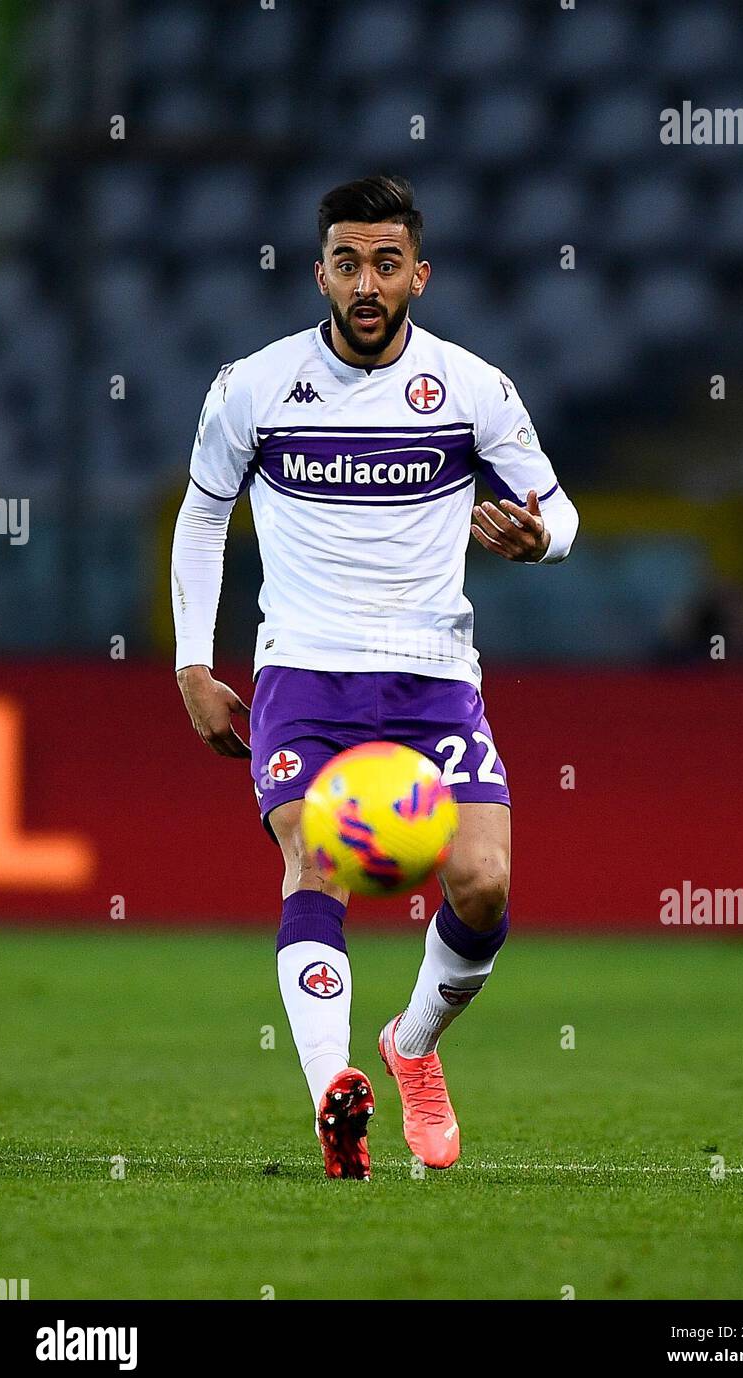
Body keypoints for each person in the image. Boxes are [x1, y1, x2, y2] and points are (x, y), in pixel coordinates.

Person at [171, 175, 578, 1179]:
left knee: (482, 884)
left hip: (433, 678)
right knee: (316, 861)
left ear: (418, 275)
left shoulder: (472, 389)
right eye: (346, 262)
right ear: (319, 271)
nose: (365, 281)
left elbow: (557, 511)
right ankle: (331, 1096)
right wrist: (190, 660)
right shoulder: (253, 387)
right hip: (301, 676)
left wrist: (537, 541)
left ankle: (409, 1046)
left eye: (385, 263)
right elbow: (199, 517)